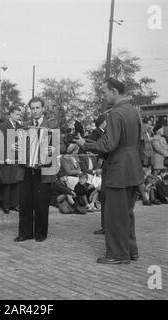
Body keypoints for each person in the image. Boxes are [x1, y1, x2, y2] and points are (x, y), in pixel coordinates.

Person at [76, 78, 144, 264]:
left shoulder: (115, 114)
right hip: (133, 169)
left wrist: (86, 144)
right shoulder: (133, 110)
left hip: (118, 170)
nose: (103, 95)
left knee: (114, 216)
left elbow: (109, 144)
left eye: (104, 91)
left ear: (114, 91)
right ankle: (131, 250)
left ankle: (117, 255)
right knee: (127, 213)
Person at [14, 97, 65, 242]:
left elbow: (62, 146)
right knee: (24, 202)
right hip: (26, 169)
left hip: (44, 170)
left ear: (43, 108)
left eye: (37, 108)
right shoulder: (25, 125)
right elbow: (16, 146)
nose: (35, 111)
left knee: (41, 203)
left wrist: (53, 148)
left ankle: (41, 233)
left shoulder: (52, 125)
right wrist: (14, 147)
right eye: (32, 108)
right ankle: (25, 233)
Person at [0, 106, 24, 214]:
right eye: (17, 114)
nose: (19, 116)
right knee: (7, 182)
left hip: (17, 158)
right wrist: (5, 157)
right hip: (7, 157)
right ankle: (6, 205)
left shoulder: (20, 126)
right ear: (11, 114)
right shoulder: (2, 126)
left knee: (16, 182)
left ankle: (14, 204)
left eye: (20, 115)